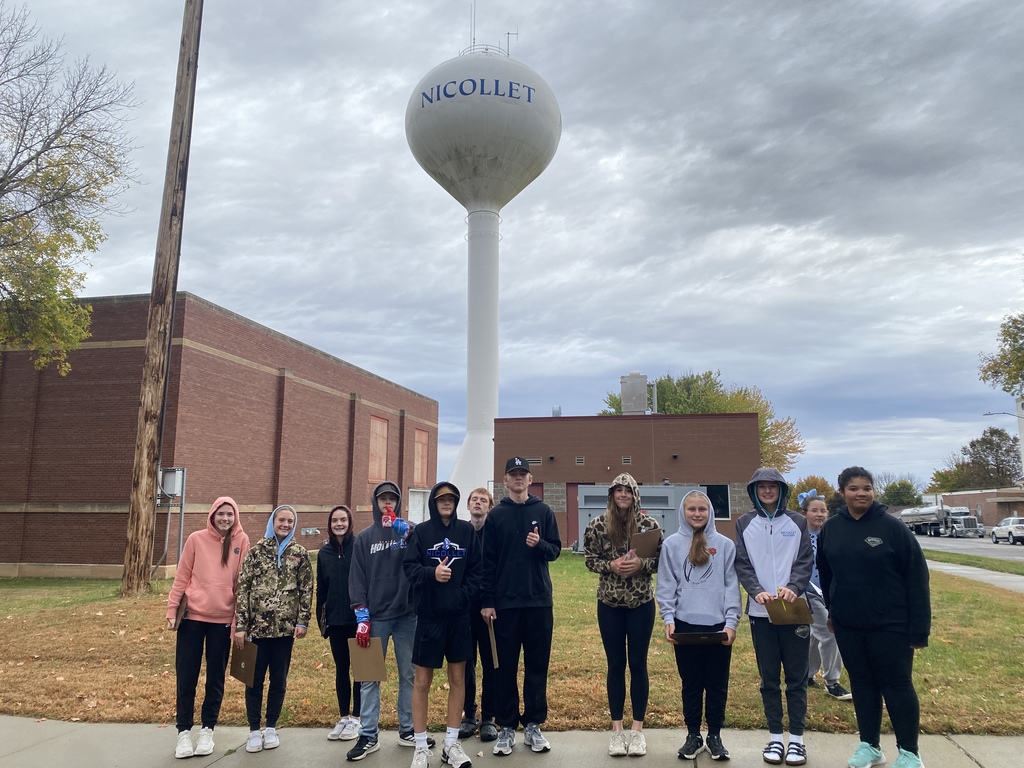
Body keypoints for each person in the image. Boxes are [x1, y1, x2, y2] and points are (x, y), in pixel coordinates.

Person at [817, 467, 930, 768]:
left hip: (890, 625)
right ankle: (870, 746)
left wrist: (919, 630)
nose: (862, 493)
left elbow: (917, 578)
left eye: (867, 487)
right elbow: (827, 574)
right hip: (849, 626)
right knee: (863, 685)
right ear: (842, 492)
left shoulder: (892, 528)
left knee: (897, 686)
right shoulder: (832, 528)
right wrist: (833, 611)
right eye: (854, 488)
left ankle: (909, 753)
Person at [480, 456, 561, 756]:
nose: (518, 479)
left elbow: (555, 550)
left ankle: (533, 725)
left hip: (538, 602)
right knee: (505, 669)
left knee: (537, 666)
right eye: (513, 474)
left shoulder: (543, 511)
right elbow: (487, 563)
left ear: (530, 479)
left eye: (522, 474)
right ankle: (506, 726)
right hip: (505, 605)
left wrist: (538, 544)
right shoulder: (496, 516)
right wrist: (487, 601)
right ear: (505, 480)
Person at [347, 482, 433, 761]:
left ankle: (408, 729)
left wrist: (408, 532)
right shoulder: (364, 538)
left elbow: (424, 550)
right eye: (383, 499)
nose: (388, 504)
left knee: (410, 674)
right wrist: (361, 615)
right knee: (368, 677)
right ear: (375, 502)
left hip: (407, 614)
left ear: (398, 503)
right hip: (375, 618)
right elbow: (357, 577)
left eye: (392, 500)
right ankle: (368, 734)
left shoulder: (408, 531)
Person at [734, 468, 814, 767]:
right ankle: (775, 738)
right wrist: (755, 591)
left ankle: (797, 741)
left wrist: (794, 587)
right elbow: (742, 563)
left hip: (794, 610)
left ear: (782, 490)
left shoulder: (797, 522)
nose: (768, 491)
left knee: (796, 678)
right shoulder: (744, 523)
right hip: (761, 611)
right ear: (754, 491)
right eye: (762, 487)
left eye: (773, 487)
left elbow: (805, 560)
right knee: (769, 679)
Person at [657, 489, 739, 762]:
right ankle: (693, 735)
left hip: (717, 626)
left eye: (702, 509)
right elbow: (666, 585)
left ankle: (715, 736)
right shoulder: (671, 544)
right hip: (685, 625)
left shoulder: (725, 545)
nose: (697, 514)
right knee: (691, 683)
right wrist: (669, 619)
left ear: (710, 512)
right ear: (683, 511)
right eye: (691, 509)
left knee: (717, 684)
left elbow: (731, 587)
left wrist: (731, 622)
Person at [403, 482, 481, 768]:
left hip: (458, 618)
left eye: (450, 499)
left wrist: (463, 595)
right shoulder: (422, 533)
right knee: (422, 681)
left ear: (456, 502)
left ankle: (451, 743)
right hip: (429, 618)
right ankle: (421, 745)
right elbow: (409, 567)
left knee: (458, 679)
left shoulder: (466, 531)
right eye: (441, 499)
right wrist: (431, 573)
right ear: (433, 503)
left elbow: (476, 570)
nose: (446, 503)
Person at [583, 472, 661, 757]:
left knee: (638, 664)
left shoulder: (649, 526)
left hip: (641, 603)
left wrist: (640, 562)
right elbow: (590, 559)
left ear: (635, 494)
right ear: (612, 494)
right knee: (615, 665)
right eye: (619, 490)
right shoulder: (598, 525)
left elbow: (660, 559)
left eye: (628, 490)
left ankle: (637, 731)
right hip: (610, 603)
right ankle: (616, 730)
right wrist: (611, 566)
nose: (624, 495)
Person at [166, 496, 250, 759]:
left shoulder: (242, 541)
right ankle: (183, 733)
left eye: (230, 514)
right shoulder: (196, 539)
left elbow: (242, 585)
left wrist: (238, 622)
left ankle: (207, 731)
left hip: (222, 621)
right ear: (212, 515)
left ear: (235, 517)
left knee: (216, 678)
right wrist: (172, 610)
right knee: (186, 675)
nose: (225, 518)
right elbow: (182, 576)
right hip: (192, 618)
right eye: (221, 514)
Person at [234, 504, 313, 754]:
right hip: (256, 631)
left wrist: (302, 621)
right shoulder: (256, 552)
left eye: (290, 521)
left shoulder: (300, 553)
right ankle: (254, 730)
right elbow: (243, 588)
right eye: (281, 520)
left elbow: (306, 589)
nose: (286, 525)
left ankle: (271, 727)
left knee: (278, 680)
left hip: (284, 632)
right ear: (273, 521)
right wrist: (241, 626)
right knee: (253, 681)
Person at [797, 490, 852, 701]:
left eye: (823, 510)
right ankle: (832, 682)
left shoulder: (831, 534)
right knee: (829, 633)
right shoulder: (798, 536)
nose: (819, 514)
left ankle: (807, 674)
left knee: (815, 635)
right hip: (808, 592)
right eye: (814, 510)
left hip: (830, 592)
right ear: (804, 513)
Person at [317, 504, 362, 742]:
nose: (339, 524)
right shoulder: (324, 554)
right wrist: (322, 620)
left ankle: (357, 718)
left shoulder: (360, 547)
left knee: (361, 670)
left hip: (359, 620)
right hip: (336, 621)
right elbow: (321, 591)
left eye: (343, 520)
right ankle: (343, 716)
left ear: (349, 522)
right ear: (330, 524)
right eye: (335, 520)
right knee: (341, 669)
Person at [460, 487, 497, 742]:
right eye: (474, 499)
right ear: (468, 505)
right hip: (464, 609)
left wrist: (490, 601)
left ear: (489, 507)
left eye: (483, 500)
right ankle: (469, 715)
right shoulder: (460, 534)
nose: (478, 503)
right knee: (465, 664)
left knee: (490, 663)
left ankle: (488, 719)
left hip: (489, 609)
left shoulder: (493, 535)